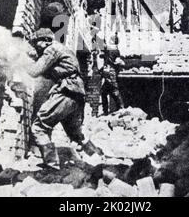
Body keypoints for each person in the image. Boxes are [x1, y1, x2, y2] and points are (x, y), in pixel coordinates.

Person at [27, 28, 102, 170]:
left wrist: (24, 59)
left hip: (67, 91)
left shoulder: (52, 49)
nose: (36, 46)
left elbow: (34, 71)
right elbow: (50, 73)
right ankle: (96, 157)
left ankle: (51, 165)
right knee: (76, 133)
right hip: (76, 94)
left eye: (37, 42)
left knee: (39, 127)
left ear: (47, 41)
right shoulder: (62, 49)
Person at [99, 35, 125, 115]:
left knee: (114, 90)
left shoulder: (111, 48)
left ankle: (121, 108)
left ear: (113, 41)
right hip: (110, 72)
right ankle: (106, 111)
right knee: (104, 92)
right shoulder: (116, 50)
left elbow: (103, 46)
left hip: (110, 72)